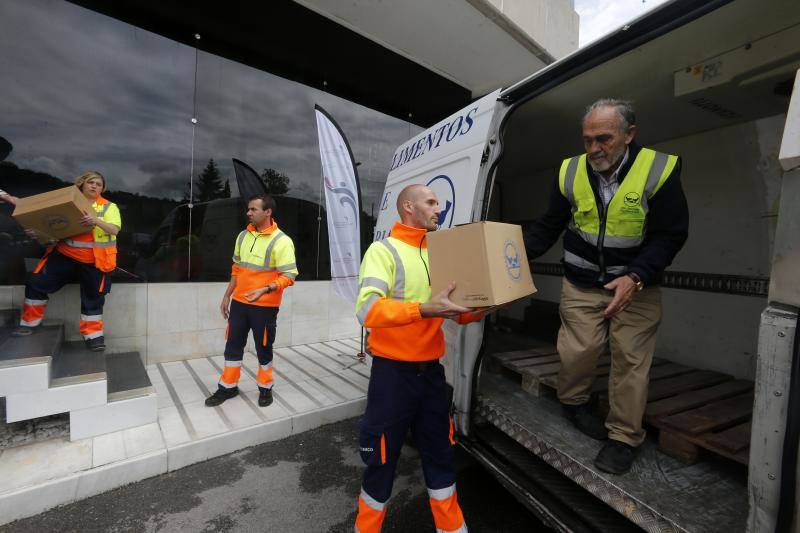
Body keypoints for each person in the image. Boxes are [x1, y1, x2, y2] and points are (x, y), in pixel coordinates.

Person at [522, 98, 689, 474]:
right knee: (577, 352)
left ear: (629, 134)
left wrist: (636, 277)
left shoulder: (659, 170)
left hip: (636, 285)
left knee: (631, 361)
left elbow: (670, 234)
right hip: (581, 283)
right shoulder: (569, 172)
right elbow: (549, 225)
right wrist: (511, 260)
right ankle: (575, 403)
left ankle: (623, 438)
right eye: (587, 140)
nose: (594, 148)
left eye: (604, 138)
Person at [353, 184, 490, 533]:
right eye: (431, 202)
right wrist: (424, 308)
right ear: (408, 207)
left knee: (441, 456)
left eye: (438, 203)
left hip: (431, 376)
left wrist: (481, 308)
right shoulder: (383, 251)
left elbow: (454, 313)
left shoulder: (437, 254)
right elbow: (368, 310)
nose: (438, 208)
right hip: (392, 377)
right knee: (381, 460)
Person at [205, 195, 298, 408]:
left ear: (268, 212)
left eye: (253, 209)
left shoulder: (282, 241)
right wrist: (227, 295)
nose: (249, 213)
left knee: (263, 348)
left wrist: (265, 289)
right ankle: (227, 387)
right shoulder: (242, 236)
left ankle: (265, 388)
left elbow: (289, 276)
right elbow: (237, 269)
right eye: (248, 209)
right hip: (239, 303)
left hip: (264, 307)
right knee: (233, 346)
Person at [14, 171, 121, 351]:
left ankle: (93, 337)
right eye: (91, 183)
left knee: (93, 298)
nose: (95, 186)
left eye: (99, 184)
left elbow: (114, 230)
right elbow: (52, 230)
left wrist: (95, 221)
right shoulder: (65, 203)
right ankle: (29, 323)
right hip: (65, 256)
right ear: (82, 184)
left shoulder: (109, 207)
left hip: (94, 262)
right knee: (36, 282)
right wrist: (37, 233)